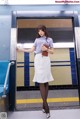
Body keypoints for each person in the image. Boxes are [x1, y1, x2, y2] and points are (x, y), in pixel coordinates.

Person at [17, 25, 54, 118]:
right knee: (41, 81)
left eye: (41, 31)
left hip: (46, 59)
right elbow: (31, 50)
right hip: (38, 59)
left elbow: (53, 51)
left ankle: (43, 105)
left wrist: (47, 49)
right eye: (39, 31)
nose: (40, 32)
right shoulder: (37, 40)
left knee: (46, 81)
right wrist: (21, 49)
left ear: (45, 31)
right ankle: (46, 107)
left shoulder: (49, 39)